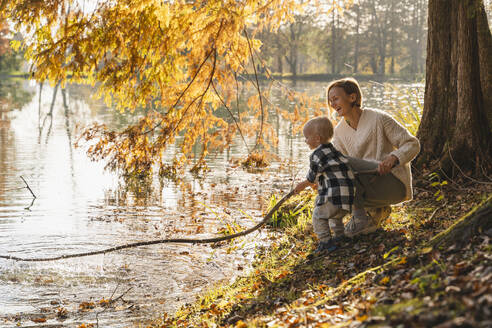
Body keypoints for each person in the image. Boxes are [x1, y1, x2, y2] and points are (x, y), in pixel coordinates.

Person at [326, 77, 420, 237]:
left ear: (352, 97)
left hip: (393, 183)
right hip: (366, 184)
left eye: (336, 99)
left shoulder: (378, 118)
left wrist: (394, 158)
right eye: (330, 101)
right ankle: (372, 212)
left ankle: (364, 216)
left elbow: (412, 144)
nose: (333, 104)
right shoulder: (339, 132)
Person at [293, 116, 372, 253]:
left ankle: (325, 242)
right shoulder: (335, 152)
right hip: (348, 198)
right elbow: (332, 172)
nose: (305, 141)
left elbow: (312, 177)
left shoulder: (317, 154)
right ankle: (340, 237)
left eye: (306, 138)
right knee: (335, 217)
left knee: (319, 215)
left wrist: (302, 185)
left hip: (334, 196)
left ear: (317, 138)